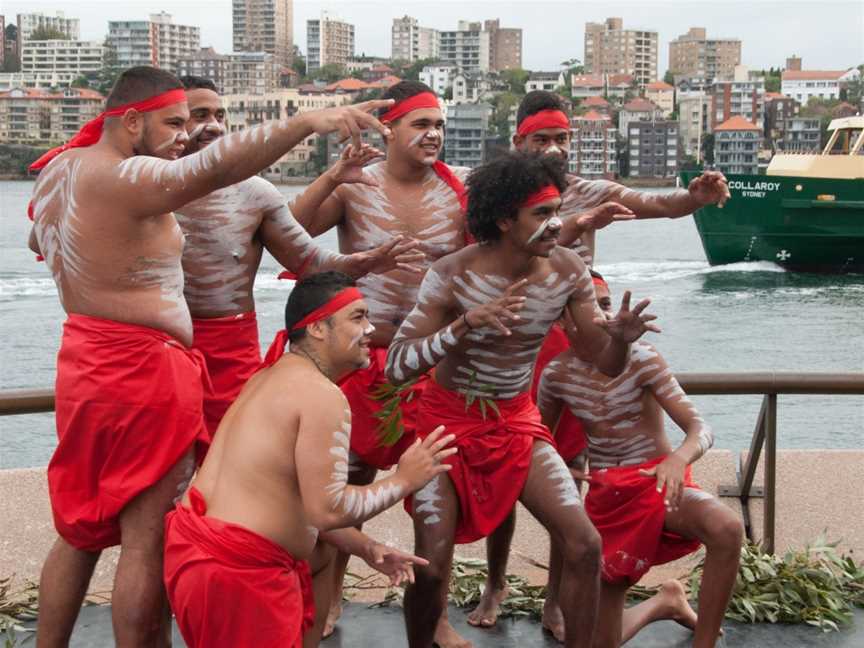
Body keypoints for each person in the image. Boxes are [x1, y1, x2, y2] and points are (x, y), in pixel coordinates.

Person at [27, 65, 394, 647]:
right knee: (147, 536)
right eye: (176, 121)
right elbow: (214, 166)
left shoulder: (60, 172)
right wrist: (304, 121)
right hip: (142, 369)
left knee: (80, 527)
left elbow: (39, 239)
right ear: (130, 122)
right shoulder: (131, 177)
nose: (186, 133)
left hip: (85, 358)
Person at [469, 90, 733, 629]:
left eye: (563, 138)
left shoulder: (589, 189)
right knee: (510, 468)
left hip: (577, 345)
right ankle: (494, 585)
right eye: (542, 138)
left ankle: (555, 602)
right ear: (519, 141)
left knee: (568, 476)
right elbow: (506, 257)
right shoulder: (501, 203)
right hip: (513, 342)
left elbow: (655, 204)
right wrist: (581, 220)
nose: (555, 147)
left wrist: (694, 199)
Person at [385, 151, 659, 648]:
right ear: (505, 220)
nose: (557, 224)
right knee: (432, 564)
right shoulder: (452, 274)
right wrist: (465, 324)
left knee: (584, 544)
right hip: (448, 426)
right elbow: (397, 364)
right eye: (542, 214)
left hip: (517, 422)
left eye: (558, 211)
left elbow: (605, 364)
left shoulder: (568, 270)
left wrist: (620, 338)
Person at [164, 271, 457, 648]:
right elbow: (328, 511)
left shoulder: (269, 376)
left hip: (197, 557)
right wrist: (404, 480)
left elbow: (296, 499)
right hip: (237, 573)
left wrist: (366, 548)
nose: (370, 328)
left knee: (316, 556)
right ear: (318, 328)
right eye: (358, 317)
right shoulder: (321, 395)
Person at [290, 80, 477, 645]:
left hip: (428, 364)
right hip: (357, 359)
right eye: (421, 124)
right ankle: (328, 599)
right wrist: (330, 177)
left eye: (439, 125)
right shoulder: (357, 184)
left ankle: (433, 617)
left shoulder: (459, 191)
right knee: (344, 485)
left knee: (433, 497)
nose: (434, 134)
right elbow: (292, 233)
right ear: (389, 128)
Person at [175, 76, 424, 435]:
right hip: (160, 348)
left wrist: (365, 262)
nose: (213, 126)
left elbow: (308, 262)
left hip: (231, 353)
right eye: (199, 115)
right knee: (161, 470)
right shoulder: (143, 189)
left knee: (237, 465)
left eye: (220, 115)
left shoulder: (255, 194)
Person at [537, 272, 743, 647]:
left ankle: (705, 641)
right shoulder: (556, 375)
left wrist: (679, 459)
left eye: (606, 302)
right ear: (561, 318)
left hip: (657, 483)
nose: (606, 312)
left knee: (727, 527)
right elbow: (536, 439)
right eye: (593, 305)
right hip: (606, 497)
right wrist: (556, 465)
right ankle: (664, 602)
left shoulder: (643, 359)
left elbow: (700, 427)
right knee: (599, 641)